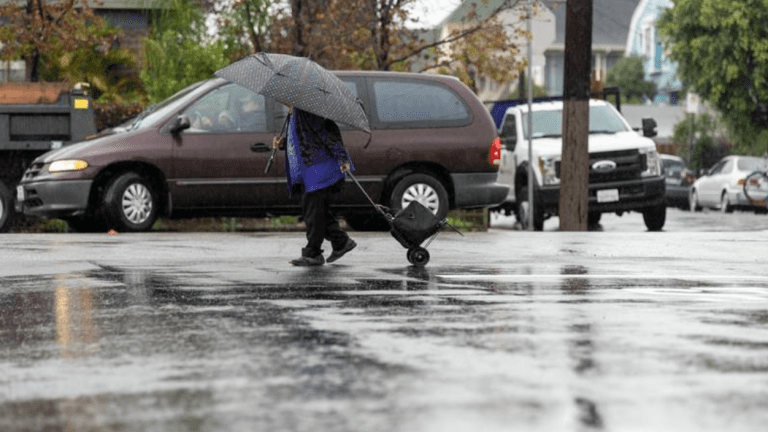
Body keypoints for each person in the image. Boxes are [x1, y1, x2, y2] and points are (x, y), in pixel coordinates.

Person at [273, 107, 357, 266]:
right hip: (309, 169)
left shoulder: (306, 110)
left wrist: (342, 157)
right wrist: (283, 143)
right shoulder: (294, 113)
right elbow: (303, 137)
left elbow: (327, 132)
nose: (281, 102)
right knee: (318, 210)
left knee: (313, 210)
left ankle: (313, 252)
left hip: (318, 168)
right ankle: (340, 241)